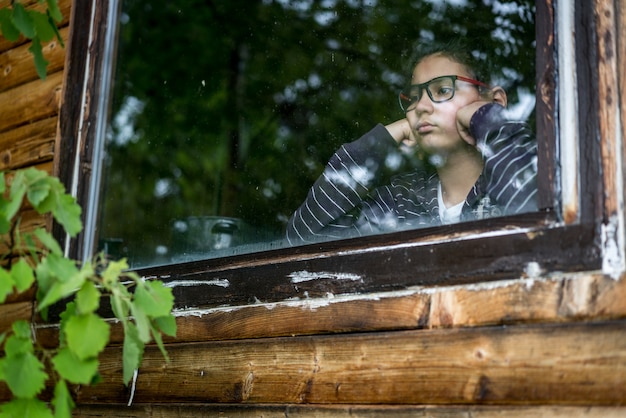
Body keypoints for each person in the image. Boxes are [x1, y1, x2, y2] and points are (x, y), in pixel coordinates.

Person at [286, 40, 537, 245]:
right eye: (413, 97)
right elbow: (300, 243)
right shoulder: (399, 203)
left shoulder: (512, 179)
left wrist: (488, 119)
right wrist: (381, 140)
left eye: (442, 90)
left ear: (494, 101)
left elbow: (536, 211)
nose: (420, 107)